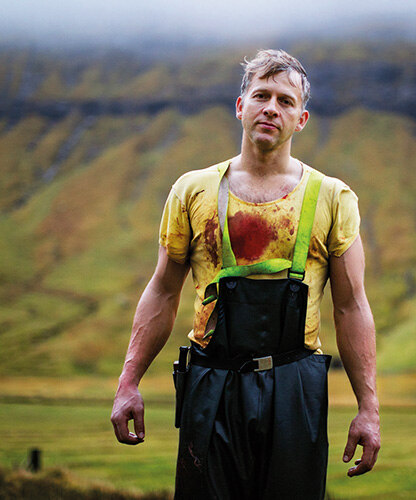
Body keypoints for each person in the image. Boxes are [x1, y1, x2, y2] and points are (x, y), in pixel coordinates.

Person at [111, 49, 380, 499]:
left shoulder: (333, 198)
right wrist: (128, 383)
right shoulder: (192, 190)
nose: (271, 108)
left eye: (285, 101)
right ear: (241, 107)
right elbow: (161, 291)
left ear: (302, 118)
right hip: (211, 385)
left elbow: (352, 307)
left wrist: (368, 408)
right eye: (261, 96)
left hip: (296, 390)